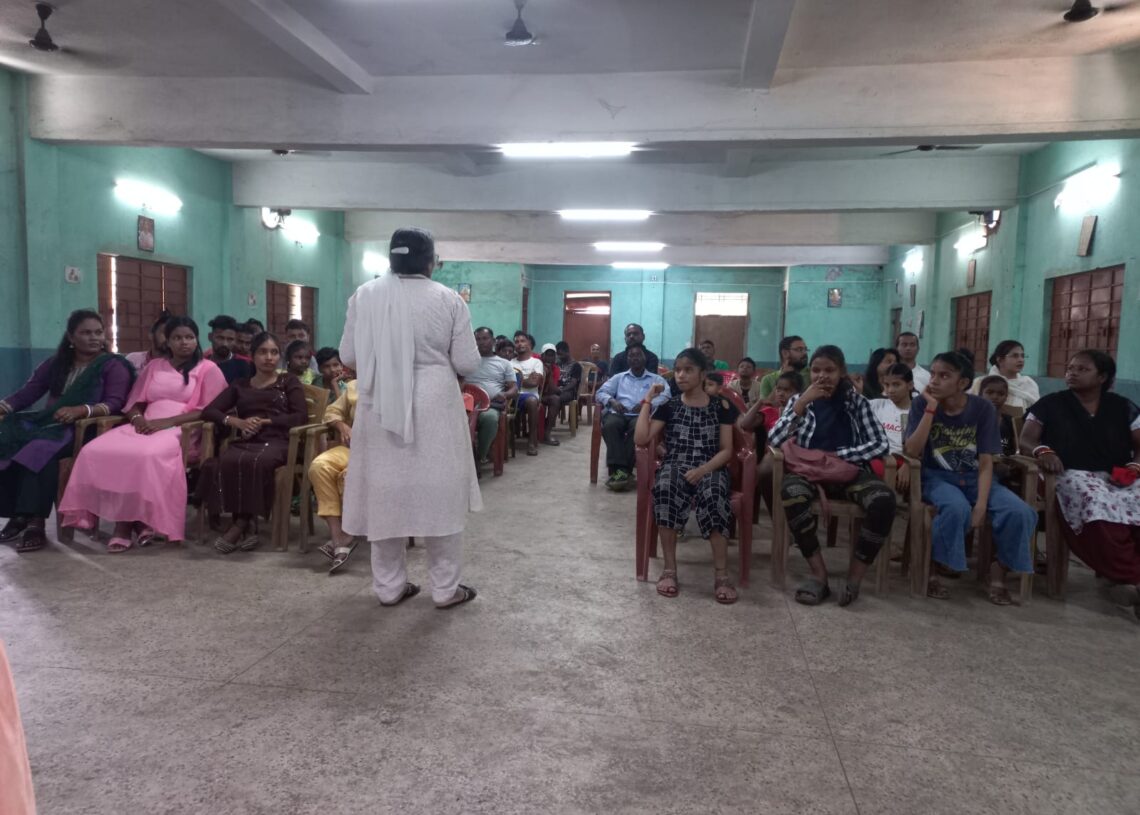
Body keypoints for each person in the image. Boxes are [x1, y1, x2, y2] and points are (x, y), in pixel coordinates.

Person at [339, 227, 482, 610]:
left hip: (379, 402)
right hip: (434, 404)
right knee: (440, 495)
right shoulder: (448, 299)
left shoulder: (365, 295)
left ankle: (388, 588)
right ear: (430, 262)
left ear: (391, 260)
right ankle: (445, 590)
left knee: (383, 495)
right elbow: (468, 362)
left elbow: (349, 356)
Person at [59, 316, 226, 551]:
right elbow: (134, 402)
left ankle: (124, 526)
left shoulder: (209, 369)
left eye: (189, 337)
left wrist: (167, 422)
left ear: (196, 339)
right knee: (93, 450)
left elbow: (209, 410)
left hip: (184, 429)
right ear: (167, 341)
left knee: (145, 455)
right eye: (177, 338)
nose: (184, 343)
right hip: (145, 424)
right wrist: (138, 420)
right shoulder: (155, 366)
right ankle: (136, 521)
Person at [904, 350, 1036, 604]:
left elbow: (987, 461)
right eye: (933, 374)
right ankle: (935, 569)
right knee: (955, 508)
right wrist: (931, 409)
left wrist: (982, 505)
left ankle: (997, 573)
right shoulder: (922, 403)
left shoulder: (982, 408)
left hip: (977, 478)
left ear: (963, 383)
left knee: (1020, 512)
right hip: (938, 477)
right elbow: (911, 450)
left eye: (944, 376)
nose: (934, 381)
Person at [768, 345, 895, 607]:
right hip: (808, 471)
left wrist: (841, 455)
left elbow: (879, 444)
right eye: (816, 370)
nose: (822, 376)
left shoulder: (856, 402)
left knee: (883, 500)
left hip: (849, 471)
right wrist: (801, 405)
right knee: (792, 494)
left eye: (829, 370)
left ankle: (854, 577)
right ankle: (819, 573)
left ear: (842, 372)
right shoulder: (798, 401)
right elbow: (775, 439)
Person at [0, 309, 133, 553]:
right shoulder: (56, 364)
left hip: (87, 430)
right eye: (86, 333)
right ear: (71, 337)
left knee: (37, 450)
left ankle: (35, 523)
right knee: (7, 438)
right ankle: (19, 515)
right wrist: (4, 407)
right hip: (51, 424)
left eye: (98, 332)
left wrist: (82, 410)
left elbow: (116, 402)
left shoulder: (113, 365)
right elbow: (28, 393)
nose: (94, 338)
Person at [1020, 351, 1140, 617]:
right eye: (1070, 367)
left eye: (1082, 369)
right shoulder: (1050, 403)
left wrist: (1134, 467)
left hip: (1115, 473)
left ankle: (1126, 578)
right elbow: (1026, 439)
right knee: (1095, 502)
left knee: (1133, 499)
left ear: (1102, 377)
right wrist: (1043, 451)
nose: (1072, 372)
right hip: (1068, 473)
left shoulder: (1122, 406)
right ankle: (1128, 576)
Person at [635, 347, 740, 604]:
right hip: (676, 463)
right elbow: (641, 438)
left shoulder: (721, 406)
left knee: (714, 495)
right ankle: (669, 570)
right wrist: (648, 400)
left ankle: (721, 575)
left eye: (688, 370)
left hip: (711, 466)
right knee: (665, 488)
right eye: (678, 370)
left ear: (703, 374)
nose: (681, 375)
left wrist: (703, 470)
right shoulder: (668, 406)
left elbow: (727, 450)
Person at [196, 332, 308, 553]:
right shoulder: (241, 385)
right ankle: (249, 524)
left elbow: (300, 417)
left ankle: (240, 523)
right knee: (225, 461)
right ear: (252, 355)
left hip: (280, 442)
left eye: (274, 352)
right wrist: (236, 421)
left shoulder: (288, 381)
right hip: (248, 440)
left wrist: (266, 421)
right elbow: (210, 411)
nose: (269, 357)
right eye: (263, 352)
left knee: (257, 461)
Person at [594, 344, 669, 491]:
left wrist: (648, 403)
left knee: (637, 429)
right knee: (610, 425)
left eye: (638, 355)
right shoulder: (619, 378)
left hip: (641, 416)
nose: (634, 358)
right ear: (627, 359)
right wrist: (612, 401)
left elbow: (667, 395)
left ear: (644, 358)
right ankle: (623, 471)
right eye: (631, 356)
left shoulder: (656, 379)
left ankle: (620, 471)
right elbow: (600, 392)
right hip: (619, 413)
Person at [309, 377, 359, 572]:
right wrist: (342, 426)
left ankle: (348, 533)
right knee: (319, 466)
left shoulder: (399, 385)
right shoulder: (356, 386)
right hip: (352, 449)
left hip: (382, 454)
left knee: (350, 475)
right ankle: (337, 534)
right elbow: (332, 411)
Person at [467, 327, 519, 466]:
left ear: (493, 341)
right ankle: (461, 457)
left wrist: (505, 394)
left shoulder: (504, 363)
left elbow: (514, 388)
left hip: (490, 405)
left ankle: (479, 456)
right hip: (467, 403)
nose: (481, 342)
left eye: (485, 339)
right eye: (478, 339)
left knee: (490, 419)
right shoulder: (467, 360)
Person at [868, 362, 914, 492]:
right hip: (880, 459)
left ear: (910, 385)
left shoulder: (916, 412)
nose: (890, 390)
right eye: (886, 385)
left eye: (896, 384)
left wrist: (907, 464)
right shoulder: (878, 405)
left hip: (905, 462)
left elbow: (920, 448)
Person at [512, 335, 559, 454]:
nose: (519, 344)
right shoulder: (510, 362)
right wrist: (526, 378)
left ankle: (532, 441)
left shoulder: (536, 362)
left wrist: (517, 379)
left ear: (529, 344)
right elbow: (507, 384)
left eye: (523, 341)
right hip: (512, 396)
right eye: (516, 341)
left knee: (532, 401)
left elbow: (534, 383)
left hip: (528, 396)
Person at [969, 339, 1039, 408]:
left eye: (1022, 356)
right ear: (1000, 360)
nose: (1020, 360)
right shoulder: (980, 383)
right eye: (1015, 356)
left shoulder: (1029, 384)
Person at [757, 335, 809, 400]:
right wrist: (784, 377)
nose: (804, 353)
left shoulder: (812, 374)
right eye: (799, 349)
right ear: (785, 353)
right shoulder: (768, 379)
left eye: (805, 349)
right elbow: (766, 406)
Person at [977, 375, 1017, 456]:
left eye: (1001, 394)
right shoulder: (971, 419)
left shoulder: (1010, 421)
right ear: (980, 394)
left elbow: (1016, 449)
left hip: (1006, 463)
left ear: (1006, 397)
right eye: (990, 392)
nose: (995, 397)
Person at [206, 315, 253, 384]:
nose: (225, 344)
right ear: (210, 337)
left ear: (235, 340)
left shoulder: (243, 366)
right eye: (220, 338)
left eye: (230, 339)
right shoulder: (202, 364)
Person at [554, 341, 583, 413]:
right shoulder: (557, 364)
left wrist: (561, 390)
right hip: (556, 389)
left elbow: (573, 383)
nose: (558, 356)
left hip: (569, 392)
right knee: (545, 397)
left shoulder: (576, 365)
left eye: (560, 354)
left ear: (567, 352)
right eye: (557, 354)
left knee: (556, 398)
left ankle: (550, 420)